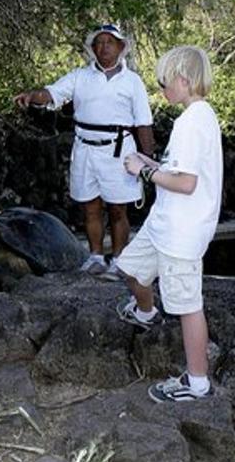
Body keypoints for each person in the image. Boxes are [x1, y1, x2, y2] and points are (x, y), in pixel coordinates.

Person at [115, 46, 223, 403]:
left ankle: (197, 382)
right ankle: (145, 311)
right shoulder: (196, 117)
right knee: (129, 268)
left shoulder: (193, 121)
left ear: (183, 79)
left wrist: (144, 170)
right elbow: (177, 170)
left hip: (181, 234)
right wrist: (150, 161)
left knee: (188, 306)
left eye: (164, 84)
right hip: (163, 224)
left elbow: (187, 183)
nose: (162, 91)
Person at [13, 25, 155, 278]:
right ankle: (96, 257)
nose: (104, 47)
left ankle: (119, 259)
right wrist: (34, 96)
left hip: (119, 151)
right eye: (99, 43)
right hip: (85, 149)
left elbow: (143, 122)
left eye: (110, 42)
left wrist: (148, 160)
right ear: (93, 49)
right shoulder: (79, 76)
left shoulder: (133, 82)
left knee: (118, 209)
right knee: (90, 207)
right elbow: (53, 93)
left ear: (121, 47)